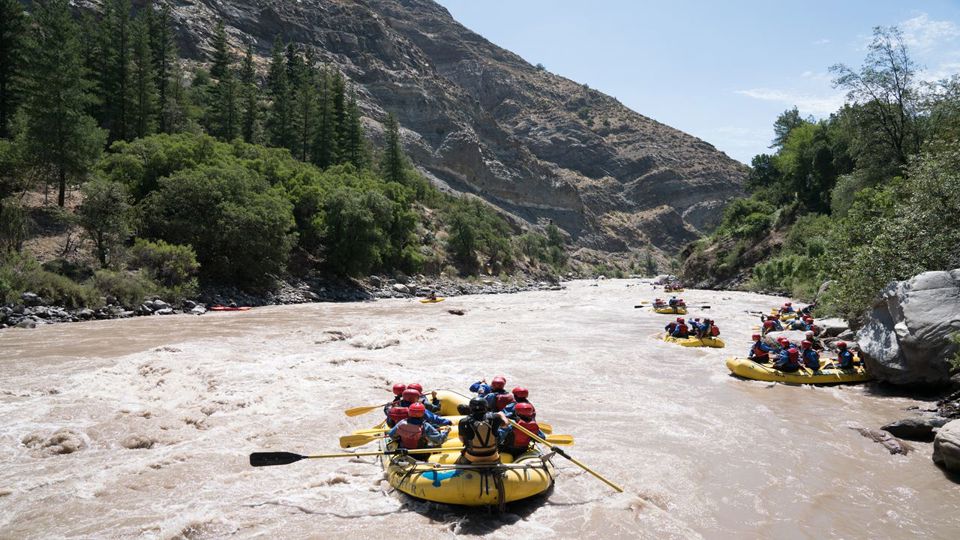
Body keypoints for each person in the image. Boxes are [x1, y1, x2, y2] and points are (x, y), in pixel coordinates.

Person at [457, 397, 508, 464]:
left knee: (458, 463)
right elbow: (505, 425)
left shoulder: (463, 421)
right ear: (486, 406)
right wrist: (502, 414)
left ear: (471, 407)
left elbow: (462, 439)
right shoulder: (495, 417)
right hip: (492, 456)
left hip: (472, 457)